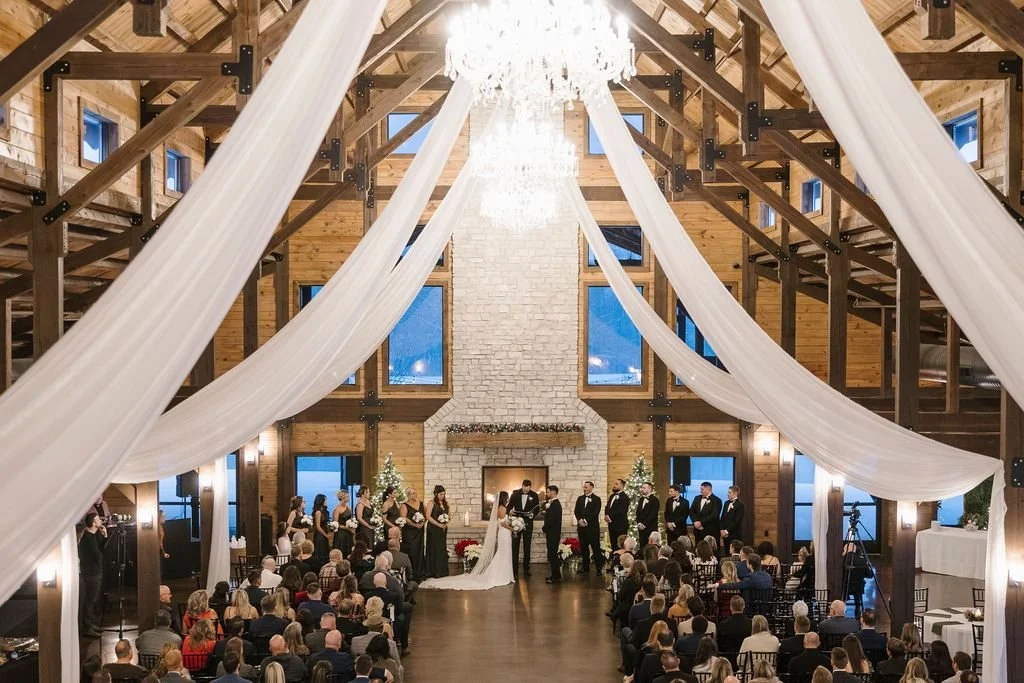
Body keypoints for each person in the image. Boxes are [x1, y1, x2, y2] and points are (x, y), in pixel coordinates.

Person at [420, 490, 514, 591]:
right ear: (504, 498)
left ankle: (503, 574)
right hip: (505, 533)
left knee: (503, 553)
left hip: (503, 533)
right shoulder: (502, 508)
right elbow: (503, 523)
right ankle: (501, 575)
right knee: (503, 553)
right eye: (507, 497)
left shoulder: (499, 508)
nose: (508, 499)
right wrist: (513, 529)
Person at [78, 512, 108, 638]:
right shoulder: (88, 538)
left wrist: (105, 536)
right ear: (93, 523)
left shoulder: (93, 535)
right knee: (90, 600)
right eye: (98, 519)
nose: (100, 521)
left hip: (95, 570)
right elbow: (97, 553)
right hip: (90, 572)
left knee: (93, 599)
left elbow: (101, 548)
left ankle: (91, 623)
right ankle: (87, 627)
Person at [508, 479, 540, 578]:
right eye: (524, 487)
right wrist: (510, 511)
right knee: (515, 546)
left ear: (530, 487)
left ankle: (526, 569)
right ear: (522, 486)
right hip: (516, 523)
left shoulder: (534, 495)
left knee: (527, 546)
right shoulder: (515, 494)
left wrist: (532, 514)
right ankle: (514, 569)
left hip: (528, 523)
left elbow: (537, 509)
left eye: (527, 488)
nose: (525, 490)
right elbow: (509, 506)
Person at [574, 481, 604, 573]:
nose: (584, 489)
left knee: (596, 548)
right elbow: (576, 511)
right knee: (584, 548)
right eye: (584, 487)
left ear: (591, 487)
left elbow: (595, 512)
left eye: (586, 487)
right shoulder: (580, 498)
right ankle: (585, 567)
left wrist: (586, 521)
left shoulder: (597, 499)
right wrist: (579, 520)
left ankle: (599, 568)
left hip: (592, 528)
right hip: (582, 528)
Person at [398, 487, 425, 580]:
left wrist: (422, 523)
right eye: (413, 493)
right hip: (409, 532)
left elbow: (425, 515)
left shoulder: (421, 503)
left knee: (419, 550)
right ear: (408, 495)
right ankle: (411, 573)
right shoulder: (404, 505)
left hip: (419, 532)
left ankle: (420, 572)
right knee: (412, 551)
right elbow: (404, 518)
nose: (415, 495)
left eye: (415, 493)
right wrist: (414, 525)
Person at [842, 542, 874, 618]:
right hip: (858, 587)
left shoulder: (842, 560)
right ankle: (858, 610)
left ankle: (842, 607)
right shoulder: (862, 560)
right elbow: (870, 575)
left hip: (846, 587)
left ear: (845, 549)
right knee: (857, 592)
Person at [424, 485, 450, 578]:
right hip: (433, 529)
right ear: (436, 494)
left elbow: (449, 515)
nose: (442, 496)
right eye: (441, 494)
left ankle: (441, 571)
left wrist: (446, 522)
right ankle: (433, 571)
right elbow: (427, 516)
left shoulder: (445, 503)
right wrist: (438, 524)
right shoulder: (431, 503)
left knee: (441, 549)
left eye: (443, 494)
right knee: (434, 548)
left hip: (442, 529)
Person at [689, 481, 723, 545]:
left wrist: (701, 522)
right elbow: (691, 511)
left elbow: (714, 515)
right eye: (700, 489)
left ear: (708, 489)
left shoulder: (717, 500)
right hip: (697, 531)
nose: (700, 491)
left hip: (710, 531)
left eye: (702, 489)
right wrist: (695, 522)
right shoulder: (697, 498)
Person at [543, 485, 563, 584]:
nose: (547, 493)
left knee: (553, 555)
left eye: (548, 492)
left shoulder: (556, 505)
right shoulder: (552, 503)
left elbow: (551, 520)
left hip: (553, 533)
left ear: (553, 492)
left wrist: (544, 528)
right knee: (551, 555)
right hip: (551, 533)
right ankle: (555, 575)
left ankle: (556, 577)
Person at [605, 478, 630, 554]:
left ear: (622, 486)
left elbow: (621, 511)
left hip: (620, 526)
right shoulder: (612, 496)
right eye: (614, 484)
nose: (614, 485)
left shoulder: (625, 498)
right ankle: (614, 559)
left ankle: (621, 560)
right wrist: (606, 515)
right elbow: (607, 507)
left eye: (616, 484)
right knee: (613, 545)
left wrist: (610, 516)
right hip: (611, 525)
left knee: (621, 546)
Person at [635, 482, 660, 547]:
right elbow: (638, 513)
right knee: (642, 546)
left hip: (650, 528)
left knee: (650, 547)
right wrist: (639, 523)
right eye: (642, 488)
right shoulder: (641, 499)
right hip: (641, 529)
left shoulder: (655, 500)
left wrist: (644, 524)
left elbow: (653, 514)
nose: (642, 489)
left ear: (649, 489)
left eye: (644, 488)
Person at [719, 485, 744, 550]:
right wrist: (722, 530)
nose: (728, 494)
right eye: (728, 492)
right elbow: (722, 517)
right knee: (726, 550)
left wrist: (726, 531)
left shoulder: (740, 505)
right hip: (724, 534)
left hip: (734, 534)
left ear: (735, 493)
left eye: (730, 492)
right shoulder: (726, 503)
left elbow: (737, 521)